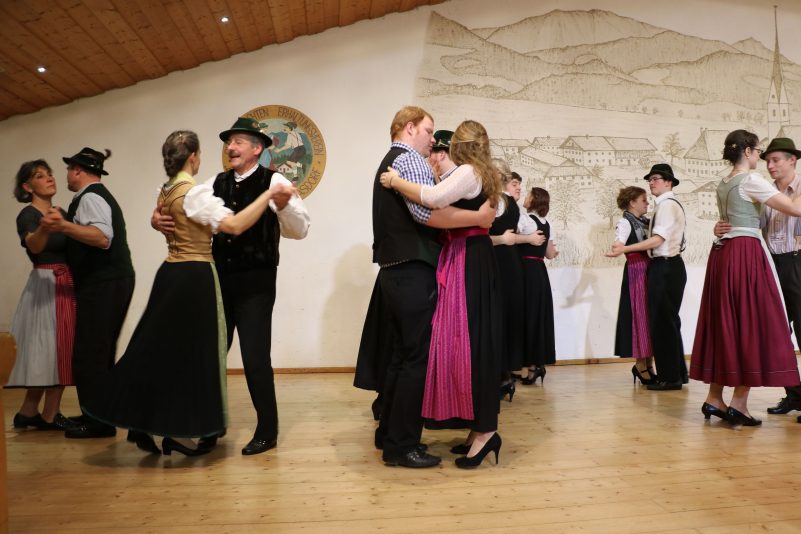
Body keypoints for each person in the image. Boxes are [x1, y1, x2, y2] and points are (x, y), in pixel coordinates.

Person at [155, 117, 310, 456]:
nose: (230, 147)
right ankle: (208, 428)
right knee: (211, 358)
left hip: (257, 283)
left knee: (255, 359)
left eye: (238, 141)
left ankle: (267, 430)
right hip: (218, 280)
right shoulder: (215, 182)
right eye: (229, 142)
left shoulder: (275, 181)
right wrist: (157, 219)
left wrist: (285, 207)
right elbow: (185, 208)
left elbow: (300, 230)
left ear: (257, 149)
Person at [380, 119, 503, 469]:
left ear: (459, 146)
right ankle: (478, 428)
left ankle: (485, 431)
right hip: (470, 257)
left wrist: (395, 181)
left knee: (472, 341)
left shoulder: (469, 171)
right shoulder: (480, 173)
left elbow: (433, 200)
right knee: (470, 340)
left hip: (468, 259)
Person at [691, 130, 801, 425]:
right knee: (753, 323)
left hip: (724, 254)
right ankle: (738, 404)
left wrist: (720, 227)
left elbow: (735, 218)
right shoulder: (752, 180)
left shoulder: (724, 182)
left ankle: (715, 397)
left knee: (728, 323)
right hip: (746, 255)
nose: (764, 160)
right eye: (760, 153)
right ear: (749, 151)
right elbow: (795, 208)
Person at [353, 129, 458, 422]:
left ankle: (391, 431)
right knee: (413, 356)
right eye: (428, 130)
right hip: (412, 267)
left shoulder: (395, 158)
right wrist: (477, 218)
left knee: (401, 352)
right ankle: (402, 437)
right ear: (410, 128)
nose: (431, 139)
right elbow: (425, 214)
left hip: (399, 266)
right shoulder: (409, 159)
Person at [41, 147, 135, 438]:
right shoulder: (91, 197)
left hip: (104, 282)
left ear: (78, 170)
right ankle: (98, 415)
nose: (67, 175)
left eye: (69, 169)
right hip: (110, 281)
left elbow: (102, 237)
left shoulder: (91, 197)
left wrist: (64, 226)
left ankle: (98, 422)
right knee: (98, 353)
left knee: (89, 353)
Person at [7, 160, 76, 432]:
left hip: (64, 282)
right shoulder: (28, 215)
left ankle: (31, 412)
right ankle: (47, 414)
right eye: (40, 176)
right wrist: (45, 227)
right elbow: (34, 246)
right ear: (27, 186)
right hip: (45, 284)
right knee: (49, 349)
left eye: (50, 174)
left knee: (59, 348)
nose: (49, 178)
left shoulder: (62, 213)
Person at [608, 163, 687, 391]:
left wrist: (624, 249)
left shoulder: (667, 206)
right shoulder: (663, 206)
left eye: (655, 179)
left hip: (666, 265)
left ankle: (670, 377)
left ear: (668, 182)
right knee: (667, 323)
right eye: (650, 179)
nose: (651, 183)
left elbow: (658, 240)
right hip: (665, 266)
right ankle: (675, 374)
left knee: (664, 324)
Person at [489, 167, 545, 399]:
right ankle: (505, 374)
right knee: (508, 315)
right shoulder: (509, 204)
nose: (519, 188)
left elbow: (484, 235)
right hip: (510, 262)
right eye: (515, 184)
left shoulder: (498, 202)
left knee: (499, 316)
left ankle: (501, 375)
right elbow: (528, 232)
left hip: (498, 262)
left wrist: (507, 239)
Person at [611, 186, 655, 385]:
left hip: (648, 269)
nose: (647, 203)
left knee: (648, 316)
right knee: (640, 317)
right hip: (636, 269)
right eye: (643, 200)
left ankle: (648, 363)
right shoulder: (625, 222)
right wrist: (618, 246)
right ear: (632, 203)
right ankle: (641, 364)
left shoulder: (645, 221)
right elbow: (619, 242)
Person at [518, 187, 558, 385]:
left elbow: (514, 240)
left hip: (525, 271)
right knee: (538, 316)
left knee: (527, 316)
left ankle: (530, 366)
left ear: (534, 199)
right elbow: (550, 254)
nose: (525, 198)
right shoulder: (547, 223)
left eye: (528, 195)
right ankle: (538, 362)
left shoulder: (525, 220)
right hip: (540, 271)